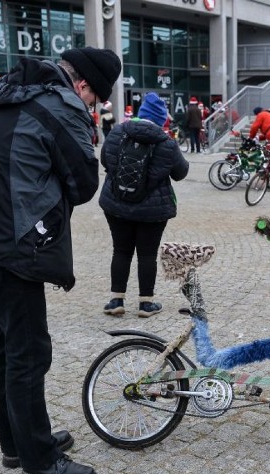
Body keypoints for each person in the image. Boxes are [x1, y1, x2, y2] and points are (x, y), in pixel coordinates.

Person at [0, 47, 122, 474]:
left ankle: (18, 443)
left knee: (3, 341)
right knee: (28, 349)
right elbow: (84, 183)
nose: (92, 107)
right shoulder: (60, 107)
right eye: (95, 100)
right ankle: (38, 459)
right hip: (11, 243)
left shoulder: (7, 89)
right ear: (83, 85)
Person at [100, 92, 189, 318]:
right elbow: (181, 172)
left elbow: (105, 159)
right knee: (147, 255)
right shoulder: (166, 142)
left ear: (141, 114)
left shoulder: (119, 132)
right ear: (161, 120)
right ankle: (145, 304)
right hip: (152, 210)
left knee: (120, 250)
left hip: (117, 204)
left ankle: (116, 300)